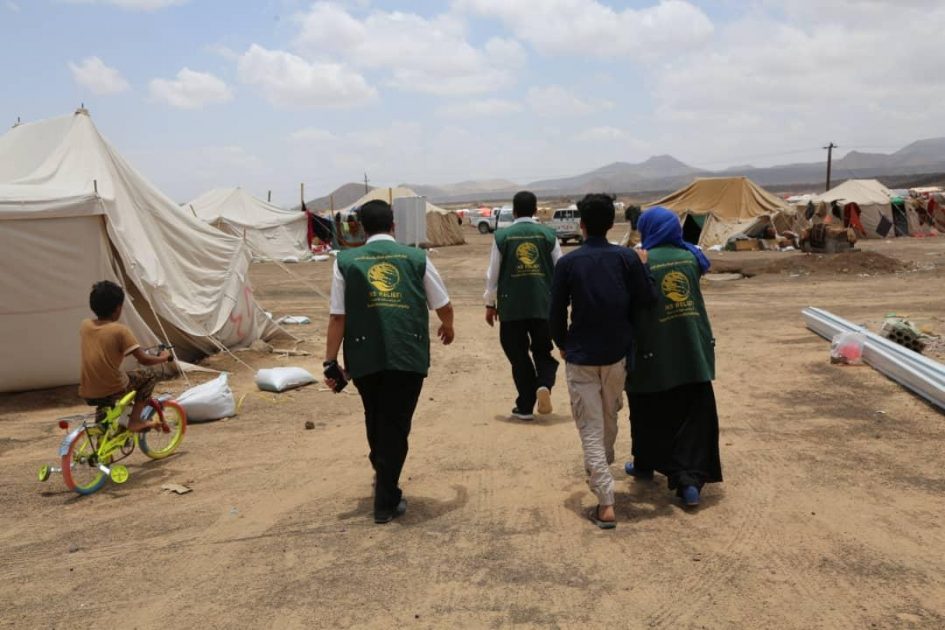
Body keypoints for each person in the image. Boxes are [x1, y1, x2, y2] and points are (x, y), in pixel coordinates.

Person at [324, 199, 455, 524]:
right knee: (396, 424)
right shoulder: (417, 258)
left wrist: (330, 361)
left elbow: (338, 316)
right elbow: (443, 302)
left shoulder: (345, 261)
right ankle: (385, 499)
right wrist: (448, 325)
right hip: (406, 353)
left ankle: (382, 470)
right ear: (393, 225)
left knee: (375, 416)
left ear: (361, 228)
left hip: (363, 355)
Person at [549, 194, 656, 529]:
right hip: (616, 355)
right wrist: (644, 266)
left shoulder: (568, 263)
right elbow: (648, 299)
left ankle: (606, 501)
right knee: (608, 418)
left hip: (582, 355)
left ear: (581, 224)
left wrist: (562, 343)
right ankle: (601, 470)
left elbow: (555, 311)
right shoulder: (627, 259)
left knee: (591, 426)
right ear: (612, 224)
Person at [625, 206, 723, 508]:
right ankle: (690, 480)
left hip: (653, 348)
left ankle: (644, 463)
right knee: (693, 413)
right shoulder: (692, 256)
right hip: (693, 346)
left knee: (647, 408)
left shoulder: (640, 260)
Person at [484, 190, 563, 420]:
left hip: (511, 307)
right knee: (543, 350)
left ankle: (526, 405)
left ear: (514, 211)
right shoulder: (548, 235)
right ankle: (544, 384)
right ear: (536, 210)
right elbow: (561, 268)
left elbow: (493, 274)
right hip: (543, 305)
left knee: (518, 355)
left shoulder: (502, 237)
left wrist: (490, 304)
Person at [79, 281, 172, 432]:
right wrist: (164, 357)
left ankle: (104, 437)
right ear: (118, 308)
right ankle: (135, 421)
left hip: (87, 390)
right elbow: (144, 359)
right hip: (113, 388)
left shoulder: (85, 325)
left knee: (106, 420)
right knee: (148, 377)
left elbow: (104, 345)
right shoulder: (121, 331)